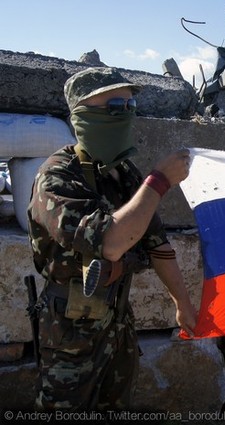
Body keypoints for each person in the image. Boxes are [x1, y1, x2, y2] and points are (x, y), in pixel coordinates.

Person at [27, 67, 198, 411]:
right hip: (70, 332)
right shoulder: (57, 176)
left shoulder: (123, 174)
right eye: (116, 106)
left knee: (116, 410)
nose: (127, 115)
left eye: (131, 106)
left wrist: (183, 303)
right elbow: (111, 242)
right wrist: (159, 181)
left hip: (117, 323)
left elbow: (156, 243)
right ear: (82, 114)